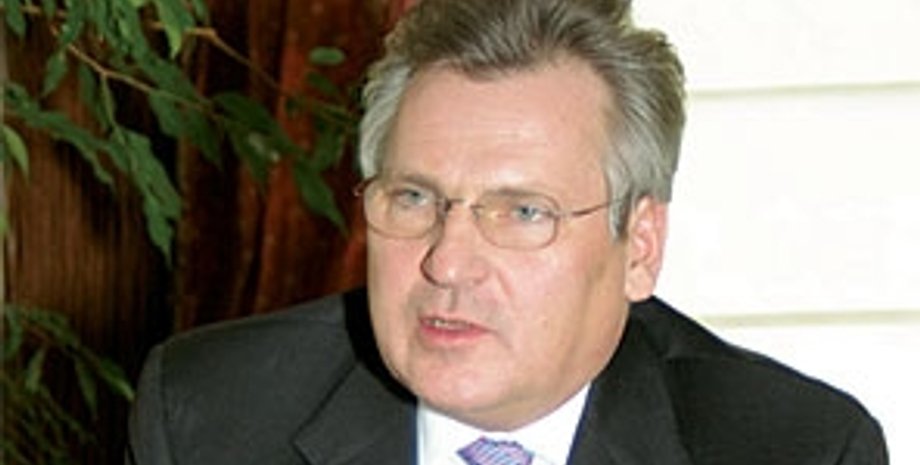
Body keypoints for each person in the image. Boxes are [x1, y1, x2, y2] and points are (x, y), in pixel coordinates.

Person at [126, 0, 888, 464]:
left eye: (523, 212)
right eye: (414, 197)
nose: (448, 262)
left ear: (640, 247)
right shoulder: (209, 414)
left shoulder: (796, 447)